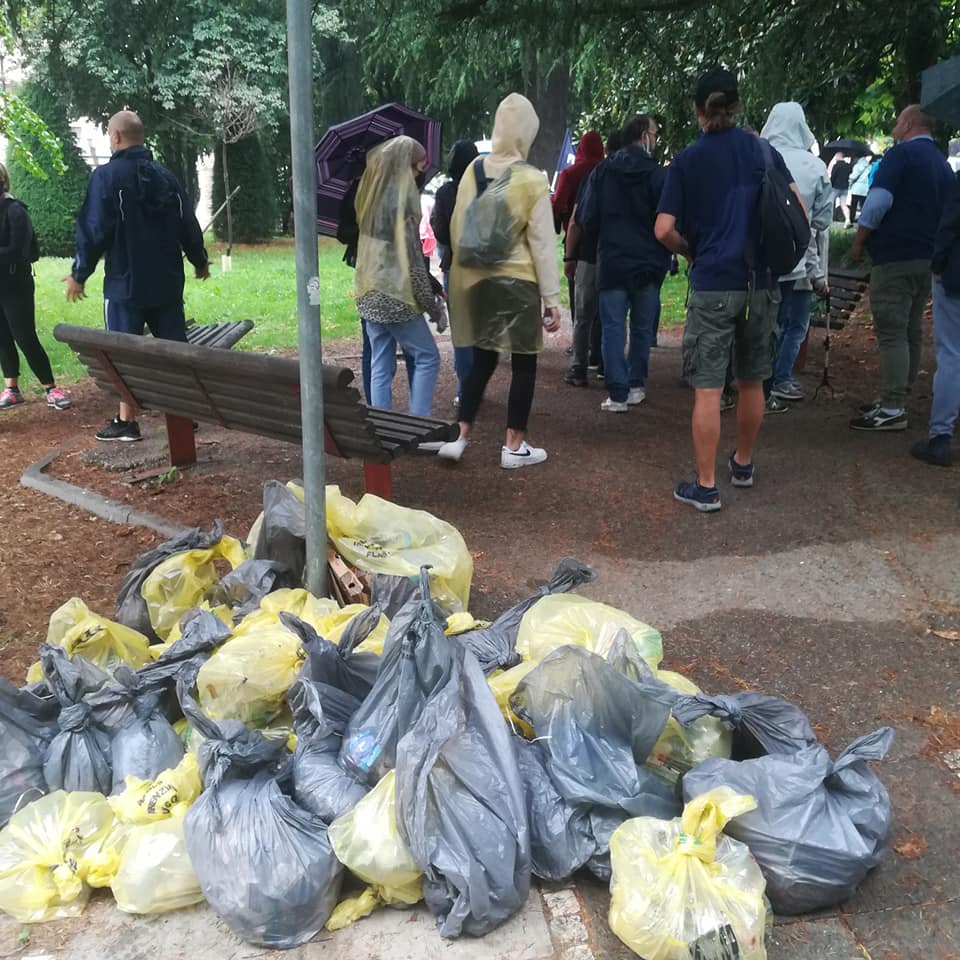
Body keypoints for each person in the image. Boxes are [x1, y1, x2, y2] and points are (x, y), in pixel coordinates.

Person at [654, 68, 801, 512]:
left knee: (708, 389)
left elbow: (663, 229)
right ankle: (743, 463)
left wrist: (689, 249)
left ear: (698, 110)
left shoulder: (686, 162)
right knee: (753, 379)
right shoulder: (764, 151)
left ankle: (706, 486)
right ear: (736, 106)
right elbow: (798, 206)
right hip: (760, 284)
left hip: (713, 284)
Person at [65, 110, 209, 442]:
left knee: (122, 356)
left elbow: (94, 230)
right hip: (168, 282)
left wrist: (79, 273)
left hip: (125, 285)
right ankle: (183, 415)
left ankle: (127, 422)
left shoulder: (106, 177)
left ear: (116, 136)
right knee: (175, 350)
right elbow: (188, 223)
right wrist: (199, 260)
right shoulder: (167, 177)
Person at [438, 92, 562, 468]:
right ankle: (513, 445)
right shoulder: (531, 180)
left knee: (482, 360)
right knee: (524, 363)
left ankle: (459, 436)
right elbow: (542, 242)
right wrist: (552, 298)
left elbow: (458, 226)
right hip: (518, 282)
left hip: (478, 281)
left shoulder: (473, 169)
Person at [850, 104, 955, 432]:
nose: (895, 126)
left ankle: (892, 406)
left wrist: (859, 241)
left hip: (895, 256)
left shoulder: (899, 157)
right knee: (912, 328)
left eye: (898, 121)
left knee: (892, 331)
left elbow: (878, 203)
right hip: (928, 256)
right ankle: (899, 395)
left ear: (909, 123)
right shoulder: (941, 162)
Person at [580, 114, 670, 412]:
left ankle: (617, 393)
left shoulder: (603, 171)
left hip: (613, 260)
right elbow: (668, 216)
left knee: (613, 327)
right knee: (643, 328)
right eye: (654, 134)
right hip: (648, 262)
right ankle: (635, 384)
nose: (655, 140)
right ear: (644, 135)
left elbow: (588, 218)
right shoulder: (658, 175)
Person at [353, 136, 442, 418]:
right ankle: (419, 426)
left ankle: (381, 426)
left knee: (381, 363)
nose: (419, 176)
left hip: (368, 294)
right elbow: (414, 267)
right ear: (405, 167)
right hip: (395, 298)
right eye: (417, 169)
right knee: (428, 356)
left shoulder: (371, 201)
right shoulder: (403, 208)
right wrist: (433, 307)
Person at [761, 102, 834, 404]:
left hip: (762, 259)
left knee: (766, 323)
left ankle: (759, 380)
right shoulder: (814, 166)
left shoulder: (759, 157)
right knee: (797, 324)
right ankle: (782, 378)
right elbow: (822, 221)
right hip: (801, 260)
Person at [0, 163, 71, 411]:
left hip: (15, 284)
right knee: (2, 338)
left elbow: (19, 252)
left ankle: (51, 388)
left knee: (24, 336)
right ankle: (12, 389)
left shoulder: (16, 211)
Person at [562, 129, 622, 387]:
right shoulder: (630, 179)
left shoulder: (590, 176)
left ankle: (578, 367)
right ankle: (609, 368)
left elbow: (575, 221)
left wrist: (569, 255)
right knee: (612, 316)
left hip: (588, 254)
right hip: (618, 254)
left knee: (584, 314)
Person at [912, 170, 960, 466]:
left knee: (952, 355)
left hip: (955, 276)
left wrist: (938, 263)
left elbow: (950, 225)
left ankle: (940, 436)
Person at [431, 139, 479, 401]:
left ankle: (465, 389)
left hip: (455, 265)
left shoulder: (446, 193)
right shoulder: (486, 189)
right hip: (483, 266)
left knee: (461, 332)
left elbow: (440, 231)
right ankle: (476, 383)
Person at [552, 130, 604, 340]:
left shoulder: (570, 173)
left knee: (578, 292)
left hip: (577, 239)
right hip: (603, 238)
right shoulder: (605, 170)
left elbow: (558, 204)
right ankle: (597, 344)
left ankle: (580, 342)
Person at [828, 151, 852, 226]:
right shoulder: (848, 166)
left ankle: (829, 220)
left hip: (835, 187)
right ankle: (848, 219)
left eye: (836, 156)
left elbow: (832, 177)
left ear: (839, 156)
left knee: (830, 203)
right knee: (843, 205)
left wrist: (830, 186)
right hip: (845, 188)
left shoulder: (836, 165)